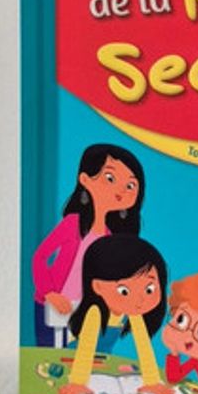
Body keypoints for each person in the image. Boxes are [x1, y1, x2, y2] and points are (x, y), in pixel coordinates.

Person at [31, 143, 145, 347]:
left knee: (87, 358)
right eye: (110, 178)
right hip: (55, 305)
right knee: (51, 356)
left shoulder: (112, 238)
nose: (121, 190)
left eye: (130, 185)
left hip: (88, 310)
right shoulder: (72, 224)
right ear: (85, 179)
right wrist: (49, 293)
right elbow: (40, 257)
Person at [59, 235, 171, 394]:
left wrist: (153, 381)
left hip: (101, 361)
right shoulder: (95, 313)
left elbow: (143, 345)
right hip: (74, 360)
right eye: (124, 291)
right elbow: (85, 349)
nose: (140, 300)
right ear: (98, 286)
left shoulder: (132, 313)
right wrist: (77, 382)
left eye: (149, 289)